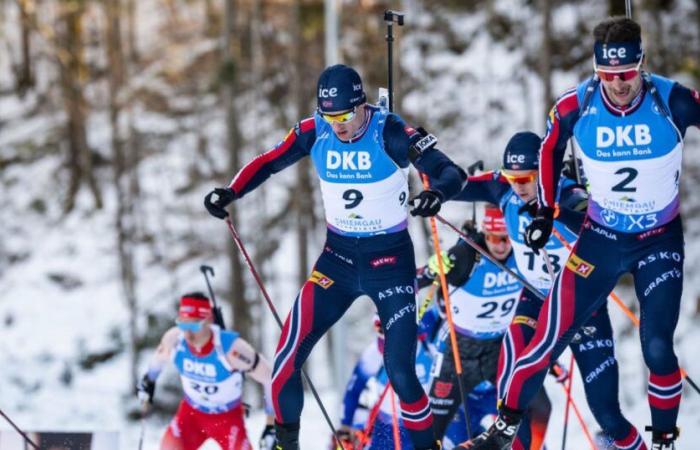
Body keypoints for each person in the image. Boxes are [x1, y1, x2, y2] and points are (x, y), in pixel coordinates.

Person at [463, 16, 700, 450]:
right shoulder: (577, 104)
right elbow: (550, 147)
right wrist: (544, 210)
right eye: (607, 75)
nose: (618, 84)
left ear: (641, 65)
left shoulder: (672, 100)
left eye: (627, 74)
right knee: (546, 339)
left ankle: (664, 438)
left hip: (658, 240)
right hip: (602, 238)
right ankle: (502, 429)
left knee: (658, 347)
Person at [204, 64, 466, 450]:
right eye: (330, 116)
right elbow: (269, 161)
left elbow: (450, 172)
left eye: (345, 115)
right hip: (337, 260)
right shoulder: (316, 130)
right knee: (285, 362)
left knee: (400, 373)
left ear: (361, 105)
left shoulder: (390, 132)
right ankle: (285, 445)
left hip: (389, 264)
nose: (338, 126)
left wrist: (436, 194)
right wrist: (232, 191)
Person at [455, 131, 644, 450]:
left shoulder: (566, 193)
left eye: (527, 178)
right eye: (513, 177)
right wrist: (420, 169)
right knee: (511, 385)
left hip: (583, 306)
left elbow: (594, 221)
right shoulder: (503, 190)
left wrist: (556, 215)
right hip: (536, 300)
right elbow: (452, 184)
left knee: (607, 413)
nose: (519, 186)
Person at [418, 206, 553, 449]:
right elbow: (417, 280)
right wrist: (431, 268)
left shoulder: (523, 255)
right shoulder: (467, 255)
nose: (499, 246)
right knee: (431, 429)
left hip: (501, 347)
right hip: (459, 349)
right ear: (485, 234)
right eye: (492, 238)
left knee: (540, 407)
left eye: (505, 239)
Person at [136, 293, 275, 450]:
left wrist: (271, 425)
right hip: (191, 416)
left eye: (194, 326)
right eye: (183, 325)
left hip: (227, 419)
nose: (187, 334)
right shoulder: (174, 340)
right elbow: (157, 362)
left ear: (208, 320)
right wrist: (149, 380)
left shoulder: (230, 348)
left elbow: (270, 377)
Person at [334, 314, 470, 450]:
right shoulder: (374, 354)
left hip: (423, 422)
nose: (385, 335)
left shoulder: (427, 346)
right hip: (387, 423)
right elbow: (354, 388)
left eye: (390, 329)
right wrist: (345, 423)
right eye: (380, 329)